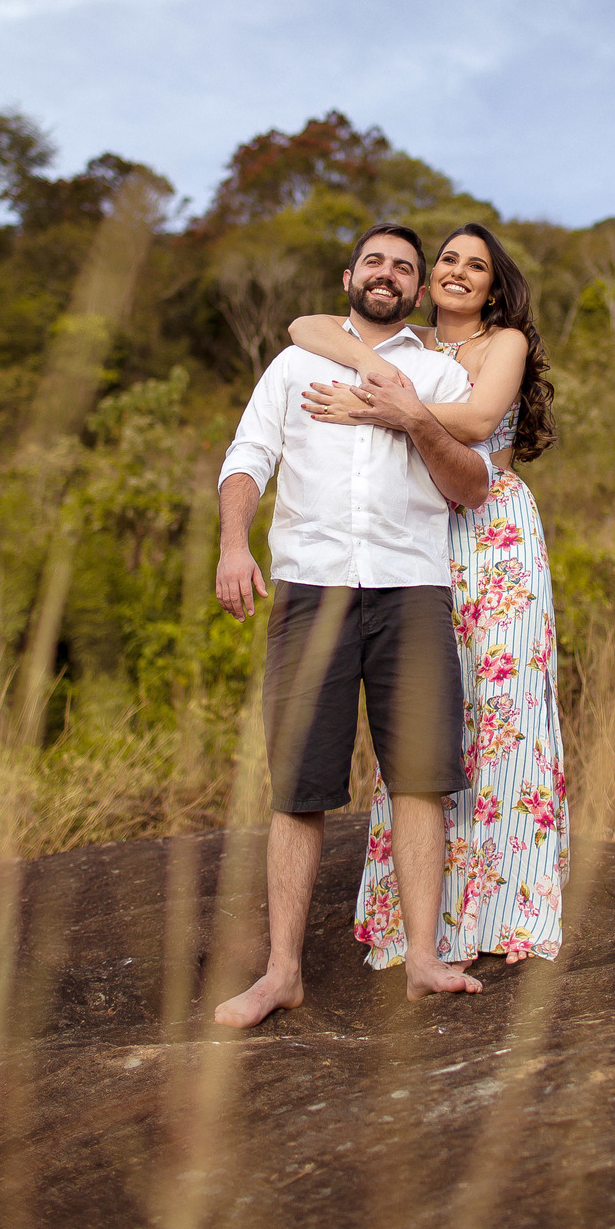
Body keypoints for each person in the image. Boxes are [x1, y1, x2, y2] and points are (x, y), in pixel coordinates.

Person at [213, 222, 496, 1028]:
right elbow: (247, 456)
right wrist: (235, 544)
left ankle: (423, 962)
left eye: (405, 267)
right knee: (299, 784)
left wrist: (409, 417)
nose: (388, 273)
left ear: (417, 290)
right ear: (349, 276)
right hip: (312, 587)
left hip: (412, 588)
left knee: (421, 778)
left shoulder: (437, 372)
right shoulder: (295, 361)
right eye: (375, 260)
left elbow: (471, 484)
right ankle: (282, 973)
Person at [290, 222, 568, 973]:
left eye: (476, 265)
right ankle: (428, 921)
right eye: (447, 259)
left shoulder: (501, 342)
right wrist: (370, 368)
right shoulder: (402, 344)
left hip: (493, 535)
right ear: (422, 279)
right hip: (415, 536)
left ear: (492, 284)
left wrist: (388, 406)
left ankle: (507, 911)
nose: (458, 271)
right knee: (422, 723)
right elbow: (304, 324)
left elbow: (478, 422)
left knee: (502, 715)